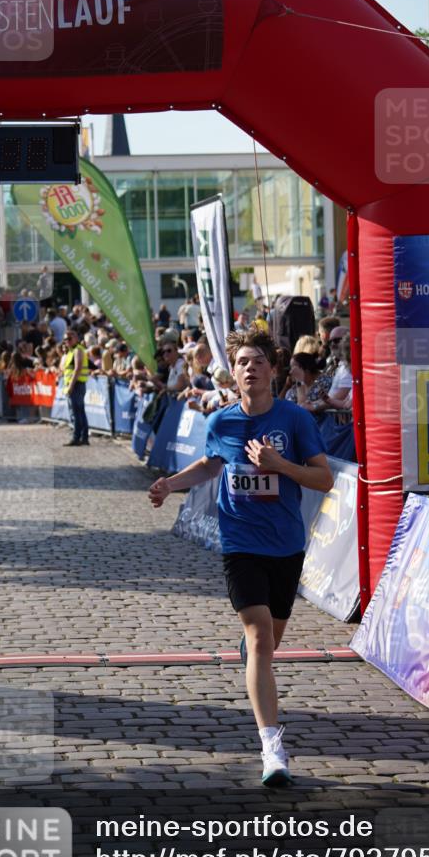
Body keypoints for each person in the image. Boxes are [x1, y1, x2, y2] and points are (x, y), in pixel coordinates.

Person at [148, 329, 332, 787]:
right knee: (259, 637)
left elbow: (324, 479)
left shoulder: (294, 420)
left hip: (286, 545)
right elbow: (211, 464)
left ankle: (256, 663)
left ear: (273, 370)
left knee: (269, 642)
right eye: (242, 362)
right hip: (240, 545)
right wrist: (170, 484)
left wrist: (280, 465)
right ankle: (273, 748)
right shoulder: (222, 422)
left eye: (258, 361)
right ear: (233, 373)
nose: (250, 368)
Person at [63, 328, 90, 446]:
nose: (67, 341)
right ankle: (84, 438)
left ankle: (76, 438)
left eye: (69, 338)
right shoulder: (71, 351)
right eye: (65, 339)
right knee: (80, 412)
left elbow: (77, 368)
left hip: (76, 385)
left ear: (76, 339)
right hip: (76, 384)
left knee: (77, 412)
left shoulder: (78, 350)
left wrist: (71, 386)